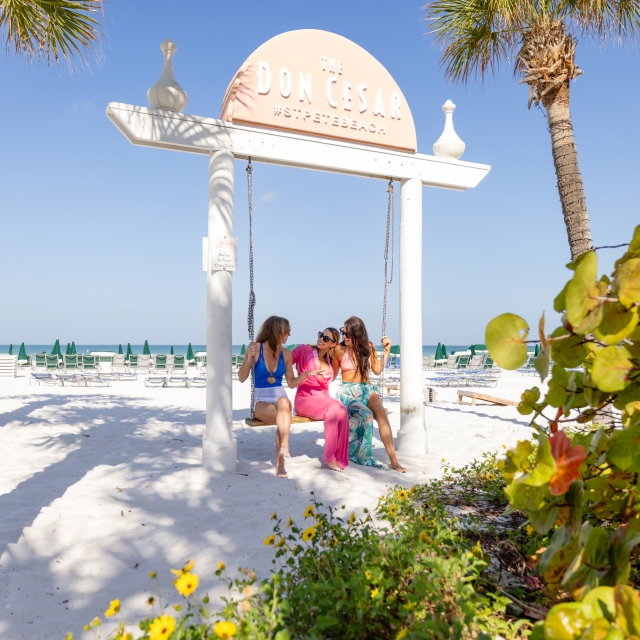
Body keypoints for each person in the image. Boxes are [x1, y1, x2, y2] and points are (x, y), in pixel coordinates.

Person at [238, 316, 319, 479]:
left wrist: (305, 375)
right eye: (287, 332)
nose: (288, 336)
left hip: (280, 397)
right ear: (277, 331)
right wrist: (249, 357)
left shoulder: (286, 354)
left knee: (283, 403)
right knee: (284, 417)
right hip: (261, 399)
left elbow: (290, 383)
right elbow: (241, 377)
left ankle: (283, 451)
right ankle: (281, 457)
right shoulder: (255, 348)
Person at [332, 316, 406, 473]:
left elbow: (377, 370)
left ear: (358, 334)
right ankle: (359, 454)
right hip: (348, 392)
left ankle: (393, 460)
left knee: (381, 413)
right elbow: (330, 375)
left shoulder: (369, 347)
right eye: (342, 332)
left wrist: (386, 351)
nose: (344, 336)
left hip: (366, 389)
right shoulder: (339, 350)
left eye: (348, 334)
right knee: (366, 414)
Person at [291, 328, 349, 472]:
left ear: (333, 344)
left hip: (323, 399)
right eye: (320, 335)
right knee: (335, 408)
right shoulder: (305, 350)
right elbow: (284, 360)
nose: (321, 339)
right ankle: (329, 456)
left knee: (342, 411)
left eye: (326, 338)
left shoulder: (330, 360)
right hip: (305, 399)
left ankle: (339, 455)